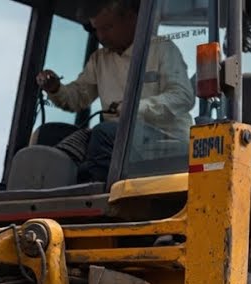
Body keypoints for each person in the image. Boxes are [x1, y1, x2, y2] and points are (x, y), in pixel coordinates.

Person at [35, 0, 193, 182]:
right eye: (96, 29)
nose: (101, 36)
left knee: (104, 135)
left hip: (167, 144)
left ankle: (102, 197)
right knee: (50, 136)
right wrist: (55, 88)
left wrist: (135, 109)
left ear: (132, 19)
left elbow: (183, 96)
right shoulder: (99, 60)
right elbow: (79, 97)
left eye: (108, 27)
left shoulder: (162, 49)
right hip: (120, 145)